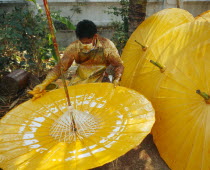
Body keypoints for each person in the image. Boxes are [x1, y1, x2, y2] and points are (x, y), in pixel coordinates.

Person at [30, 20, 124, 98]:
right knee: (72, 100)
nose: (85, 45)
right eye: (83, 42)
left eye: (88, 42)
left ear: (95, 36)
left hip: (101, 77)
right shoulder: (74, 47)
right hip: (80, 78)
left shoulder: (107, 45)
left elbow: (119, 65)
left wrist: (117, 78)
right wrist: (44, 83)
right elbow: (60, 67)